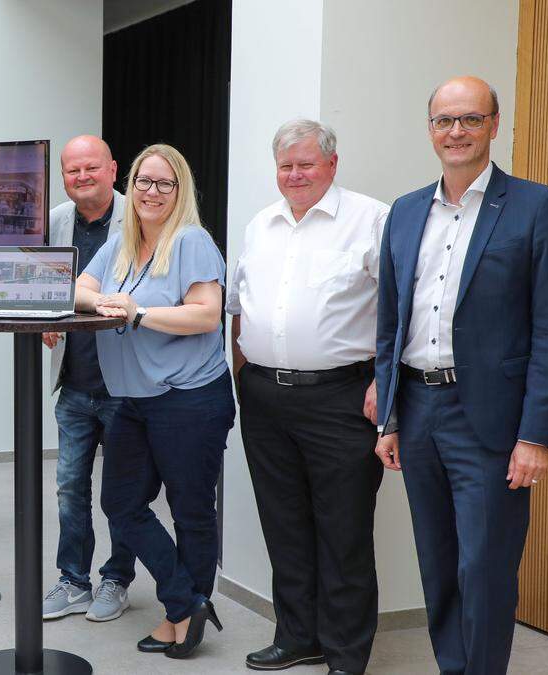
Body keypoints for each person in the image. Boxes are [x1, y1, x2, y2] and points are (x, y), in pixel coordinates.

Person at [374, 76, 548, 675]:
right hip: (417, 410)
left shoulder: (537, 207)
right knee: (438, 566)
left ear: (493, 124)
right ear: (430, 128)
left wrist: (536, 435)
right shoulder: (407, 211)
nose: (455, 131)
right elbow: (390, 324)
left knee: (483, 568)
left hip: (488, 418)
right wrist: (388, 416)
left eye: (469, 119)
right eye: (444, 120)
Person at [227, 120, 388, 675]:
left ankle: (345, 652)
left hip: (342, 399)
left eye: (306, 164)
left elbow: (401, 310)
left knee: (344, 530)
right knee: (284, 523)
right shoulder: (260, 225)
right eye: (286, 166)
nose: (295, 175)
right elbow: (239, 309)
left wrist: (382, 383)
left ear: (332, 165)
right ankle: (298, 636)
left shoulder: (371, 219)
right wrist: (243, 379)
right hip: (265, 399)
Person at [76, 144, 234, 659]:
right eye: (144, 181)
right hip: (133, 399)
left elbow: (207, 314)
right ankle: (187, 601)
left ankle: (179, 617)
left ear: (179, 191)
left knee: (191, 512)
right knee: (120, 504)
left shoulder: (190, 240)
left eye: (165, 184)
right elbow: (78, 286)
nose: (151, 191)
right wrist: (100, 301)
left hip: (189, 399)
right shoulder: (121, 242)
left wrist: (138, 313)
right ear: (132, 185)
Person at [40, 134, 136, 622]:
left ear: (113, 168)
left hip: (123, 384)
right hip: (73, 383)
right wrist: (46, 322)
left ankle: (116, 580)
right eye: (72, 170)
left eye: (91, 168)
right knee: (69, 488)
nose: (82, 177)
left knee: (122, 491)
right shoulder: (55, 220)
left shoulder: (138, 214)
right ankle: (73, 579)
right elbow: (44, 288)